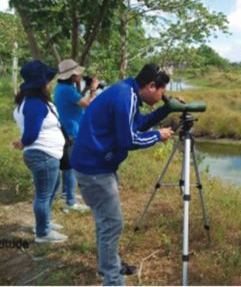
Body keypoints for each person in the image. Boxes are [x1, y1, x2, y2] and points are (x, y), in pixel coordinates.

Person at [71, 64, 175, 285]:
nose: (161, 97)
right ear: (151, 86)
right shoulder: (124, 98)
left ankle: (107, 265)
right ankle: (113, 279)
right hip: (95, 169)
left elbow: (136, 124)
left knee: (105, 221)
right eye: (161, 93)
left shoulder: (128, 92)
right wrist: (158, 135)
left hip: (95, 165)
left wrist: (166, 110)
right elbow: (129, 140)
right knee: (112, 223)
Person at [12, 60, 68, 243]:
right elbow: (31, 133)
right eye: (48, 81)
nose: (50, 84)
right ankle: (43, 232)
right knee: (44, 194)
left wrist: (23, 142)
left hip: (46, 154)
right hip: (43, 154)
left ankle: (45, 223)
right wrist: (23, 142)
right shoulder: (35, 104)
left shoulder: (31, 102)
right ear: (41, 84)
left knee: (52, 190)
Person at [53, 59, 96, 213]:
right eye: (78, 72)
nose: (81, 74)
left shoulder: (62, 87)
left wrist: (85, 89)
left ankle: (66, 193)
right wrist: (93, 89)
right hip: (70, 131)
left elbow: (77, 101)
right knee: (70, 166)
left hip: (66, 129)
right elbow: (90, 105)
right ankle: (70, 202)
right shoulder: (68, 90)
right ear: (71, 75)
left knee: (66, 164)